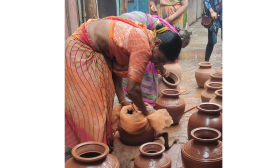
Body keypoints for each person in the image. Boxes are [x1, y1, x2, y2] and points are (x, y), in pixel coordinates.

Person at [64, 17, 182, 149]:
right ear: (158, 43)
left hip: (93, 48)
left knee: (105, 99)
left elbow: (117, 66)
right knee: (92, 109)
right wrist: (146, 112)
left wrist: (122, 100)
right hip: (81, 49)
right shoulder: (143, 46)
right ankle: (93, 152)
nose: (155, 62)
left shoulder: (147, 36)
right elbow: (132, 90)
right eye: (159, 58)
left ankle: (97, 145)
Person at [120, 11, 191, 106]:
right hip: (126, 26)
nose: (157, 62)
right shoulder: (143, 42)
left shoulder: (163, 37)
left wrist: (163, 71)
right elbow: (131, 89)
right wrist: (145, 110)